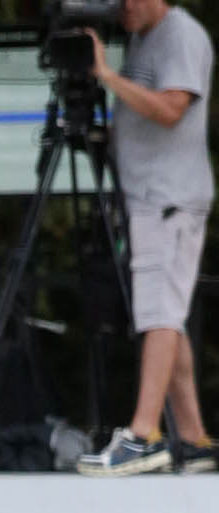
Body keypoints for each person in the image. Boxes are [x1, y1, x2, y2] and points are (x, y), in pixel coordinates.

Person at [79, 0, 215, 474]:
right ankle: (194, 437)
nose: (119, 11)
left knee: (158, 312)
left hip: (169, 197)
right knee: (167, 313)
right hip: (147, 198)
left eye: (127, 0)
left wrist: (108, 77)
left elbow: (172, 109)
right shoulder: (142, 35)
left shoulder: (182, 35)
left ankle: (144, 435)